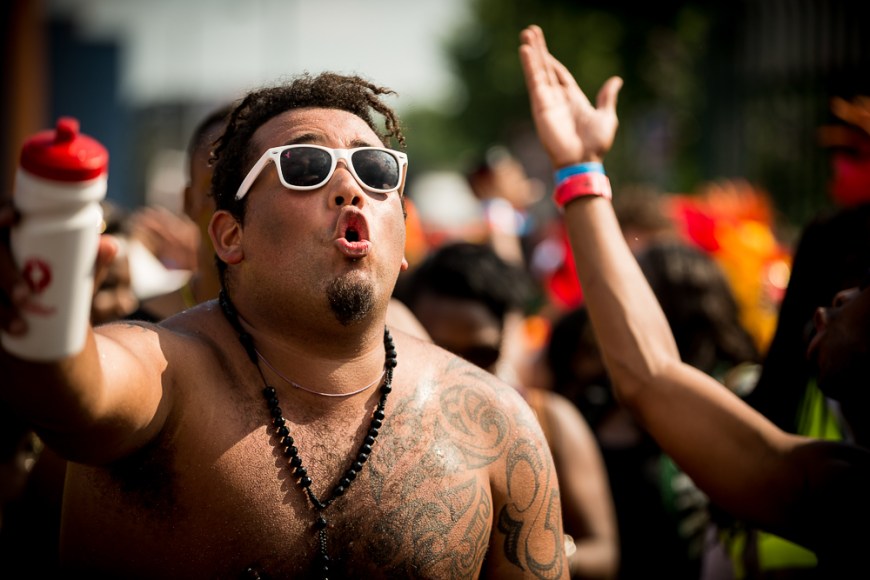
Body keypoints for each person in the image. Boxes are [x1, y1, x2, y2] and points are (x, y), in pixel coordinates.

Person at [0, 72, 567, 578]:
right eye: (304, 166)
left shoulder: (494, 424)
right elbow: (68, 394)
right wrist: (44, 320)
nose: (351, 187)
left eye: (374, 169)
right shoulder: (166, 370)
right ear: (229, 236)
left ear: (401, 238)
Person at [519, 24, 870, 578]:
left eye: (866, 286)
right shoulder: (845, 489)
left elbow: (651, 378)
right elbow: (652, 376)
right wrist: (580, 169)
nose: (844, 295)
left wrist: (581, 172)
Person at [397, 241, 620, 579]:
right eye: (441, 353)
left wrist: (531, 553)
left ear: (504, 339)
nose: (463, 373)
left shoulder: (547, 419)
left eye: (480, 356)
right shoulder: (384, 427)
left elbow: (604, 553)